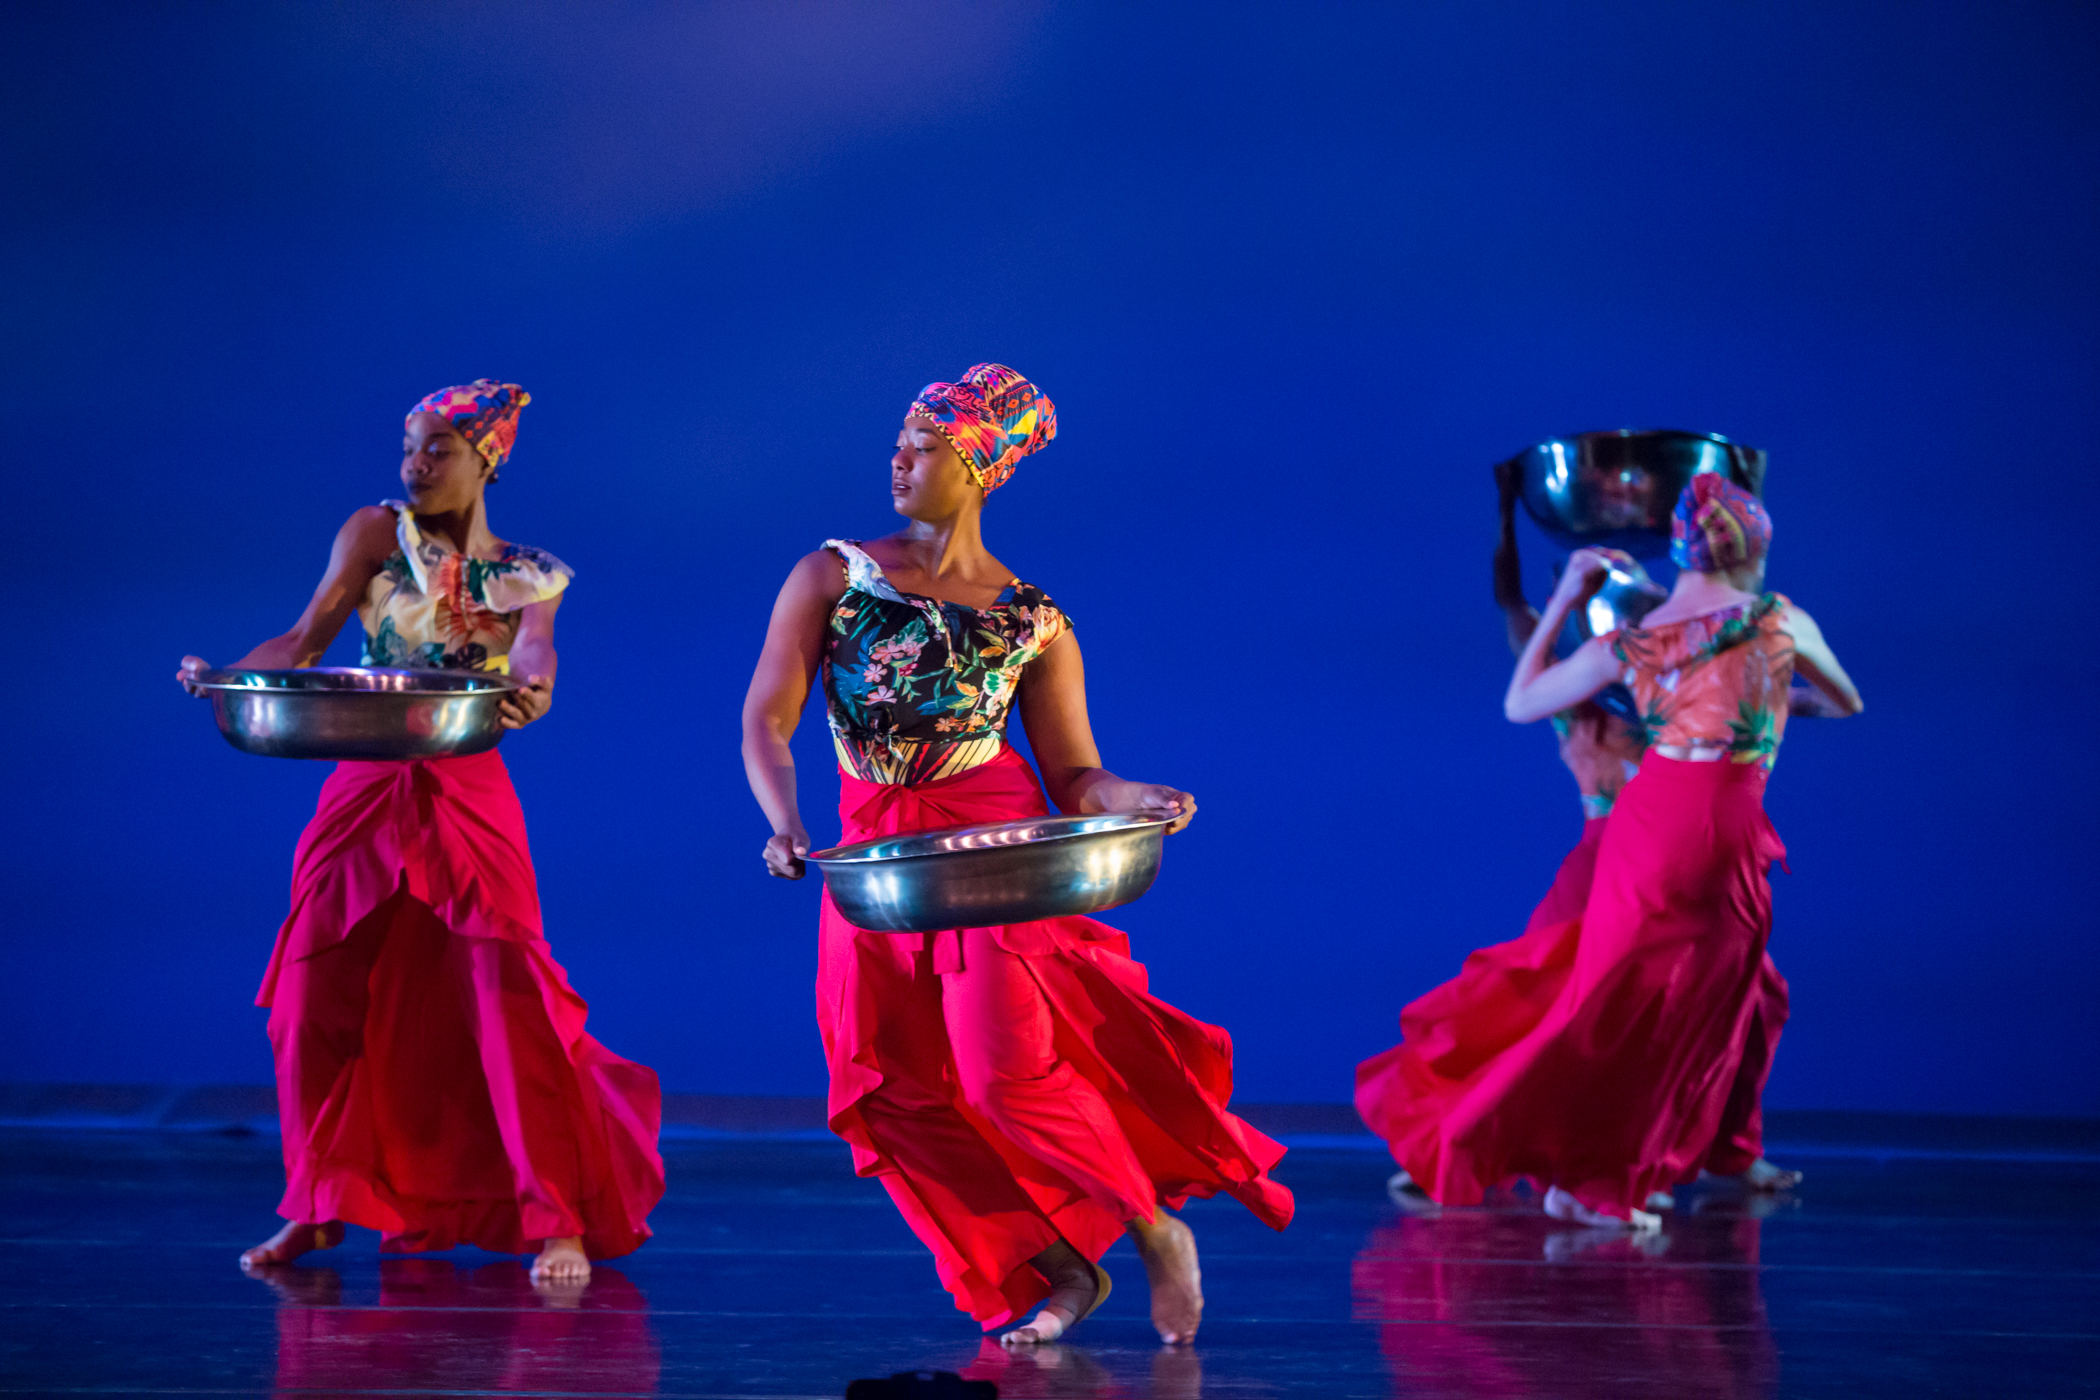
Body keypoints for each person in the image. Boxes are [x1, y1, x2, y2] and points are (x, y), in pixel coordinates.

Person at [741, 364, 1294, 1346]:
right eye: (900, 438)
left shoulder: (1032, 619)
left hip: (993, 852)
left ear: (978, 466)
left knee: (1006, 1073)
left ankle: (1154, 1228)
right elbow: (766, 720)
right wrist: (784, 819)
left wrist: (1139, 797)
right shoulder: (833, 575)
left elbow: (1079, 774)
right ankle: (1052, 1267)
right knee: (883, 1086)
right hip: (873, 852)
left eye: (927, 442)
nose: (901, 455)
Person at [177, 380, 664, 1283]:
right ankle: (317, 1208)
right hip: (364, 783)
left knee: (509, 1001)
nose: (416, 464)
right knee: (305, 1004)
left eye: (438, 447)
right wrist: (227, 677)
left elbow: (533, 653)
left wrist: (533, 686)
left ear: (488, 456)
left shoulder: (531, 570)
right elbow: (304, 637)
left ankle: (555, 1214)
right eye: (409, 447)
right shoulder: (373, 533)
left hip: (466, 786)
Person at [1356, 473, 1860, 1229]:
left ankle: (1607, 1171)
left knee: (1643, 1007)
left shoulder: (1634, 644)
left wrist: (1572, 602)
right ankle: (1563, 1166)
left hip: (1654, 825)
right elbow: (1847, 699)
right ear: (1752, 547)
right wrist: (1771, 694)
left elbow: (1519, 703)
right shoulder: (1776, 619)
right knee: (1672, 1010)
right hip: (1714, 826)